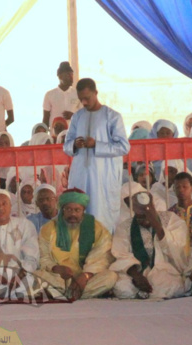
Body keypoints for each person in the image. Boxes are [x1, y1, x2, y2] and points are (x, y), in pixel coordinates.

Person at [62, 78, 129, 233]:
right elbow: (66, 145)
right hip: (80, 176)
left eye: (87, 98)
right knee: (78, 213)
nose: (84, 102)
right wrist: (74, 145)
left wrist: (97, 145)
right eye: (81, 99)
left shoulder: (112, 116)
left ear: (96, 93)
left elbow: (123, 147)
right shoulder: (77, 117)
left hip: (103, 178)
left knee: (101, 216)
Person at [34, 188, 117, 299]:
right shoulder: (48, 228)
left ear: (83, 210)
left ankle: (61, 293)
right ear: (62, 209)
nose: (72, 214)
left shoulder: (96, 228)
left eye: (77, 210)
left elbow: (102, 258)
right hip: (58, 277)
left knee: (110, 277)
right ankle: (74, 293)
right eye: (68, 209)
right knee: (36, 276)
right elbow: (43, 257)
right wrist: (55, 268)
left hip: (86, 278)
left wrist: (85, 275)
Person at [111, 184, 188, 300]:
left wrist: (157, 226)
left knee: (173, 286)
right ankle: (147, 293)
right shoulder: (125, 227)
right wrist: (136, 276)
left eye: (147, 216)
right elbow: (121, 254)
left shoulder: (171, 220)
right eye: (140, 217)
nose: (144, 220)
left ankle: (146, 294)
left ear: (154, 208)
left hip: (163, 270)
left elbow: (177, 251)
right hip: (136, 272)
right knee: (122, 287)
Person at [0, 190, 40, 300]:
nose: (0, 208)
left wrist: (21, 274)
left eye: (4, 203)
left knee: (27, 283)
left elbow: (32, 256)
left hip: (19, 274)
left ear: (11, 206)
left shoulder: (25, 225)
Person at [42, 61, 79, 126]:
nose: (71, 78)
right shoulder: (49, 95)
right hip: (55, 134)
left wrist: (73, 115)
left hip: (73, 133)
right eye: (68, 75)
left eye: (72, 75)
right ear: (60, 76)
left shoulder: (77, 94)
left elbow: (83, 116)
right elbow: (46, 119)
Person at [169, 172, 192, 242]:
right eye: (177, 187)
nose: (181, 190)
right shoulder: (171, 213)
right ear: (174, 189)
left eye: (184, 187)